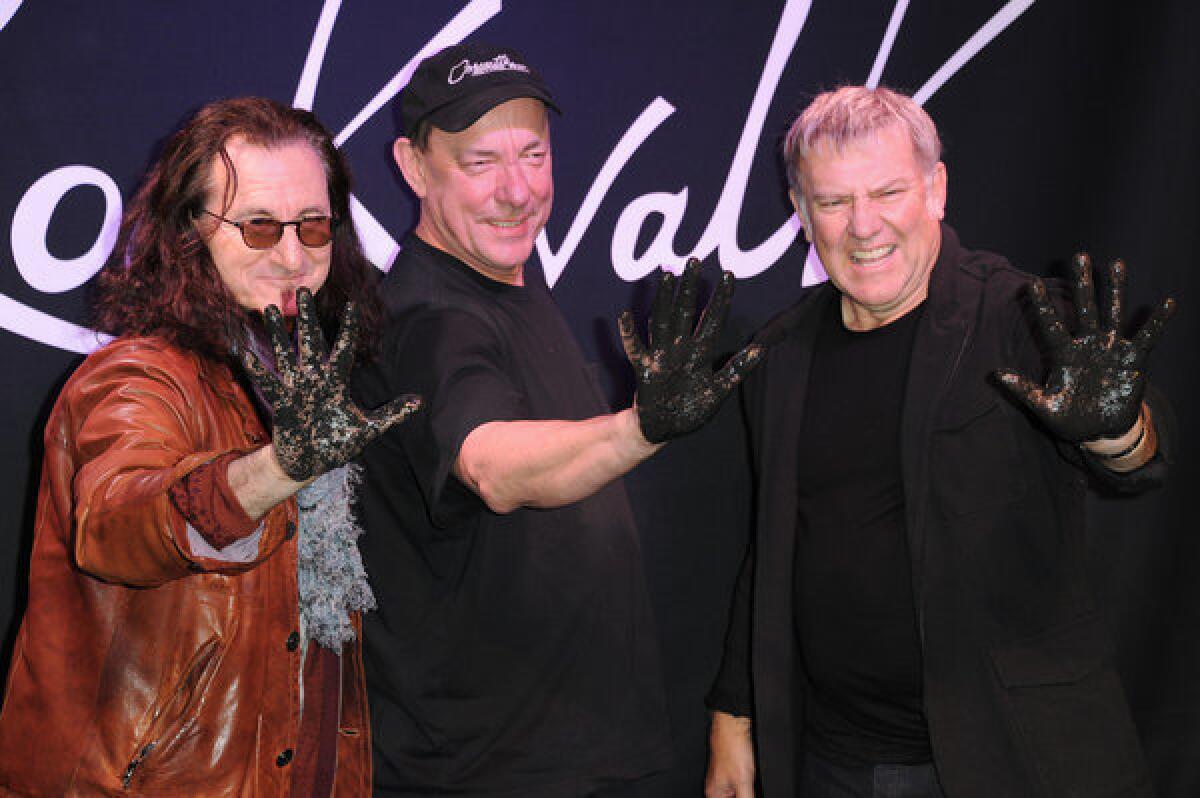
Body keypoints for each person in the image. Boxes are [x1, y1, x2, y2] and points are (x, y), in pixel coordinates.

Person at [704, 86, 1176, 797]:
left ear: (937, 189)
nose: (864, 226)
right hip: (837, 762)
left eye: (888, 191)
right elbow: (772, 549)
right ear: (802, 215)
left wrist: (1114, 429)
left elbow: (1139, 458)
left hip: (1017, 758)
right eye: (833, 202)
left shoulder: (1023, 317)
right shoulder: (781, 356)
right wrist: (735, 715)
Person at [352, 43, 760, 796]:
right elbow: (491, 466)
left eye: (533, 154)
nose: (516, 190)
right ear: (413, 168)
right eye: (479, 164)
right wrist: (640, 427)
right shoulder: (424, 315)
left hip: (560, 754)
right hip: (484, 772)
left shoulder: (505, 280)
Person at [0, 97, 419, 796]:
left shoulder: (292, 371)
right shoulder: (134, 376)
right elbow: (119, 522)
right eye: (257, 227)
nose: (293, 257)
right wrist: (281, 467)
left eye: (313, 226)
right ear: (188, 234)